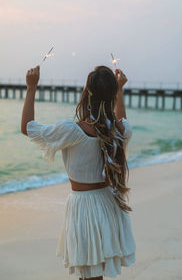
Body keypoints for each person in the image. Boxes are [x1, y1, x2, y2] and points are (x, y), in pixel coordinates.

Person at [21, 65, 136, 280]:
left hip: (85, 207)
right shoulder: (118, 130)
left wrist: (31, 87)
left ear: (87, 94)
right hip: (106, 204)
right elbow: (122, 120)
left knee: (90, 275)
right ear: (111, 96)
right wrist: (119, 91)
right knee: (92, 274)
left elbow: (27, 127)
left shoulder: (74, 131)